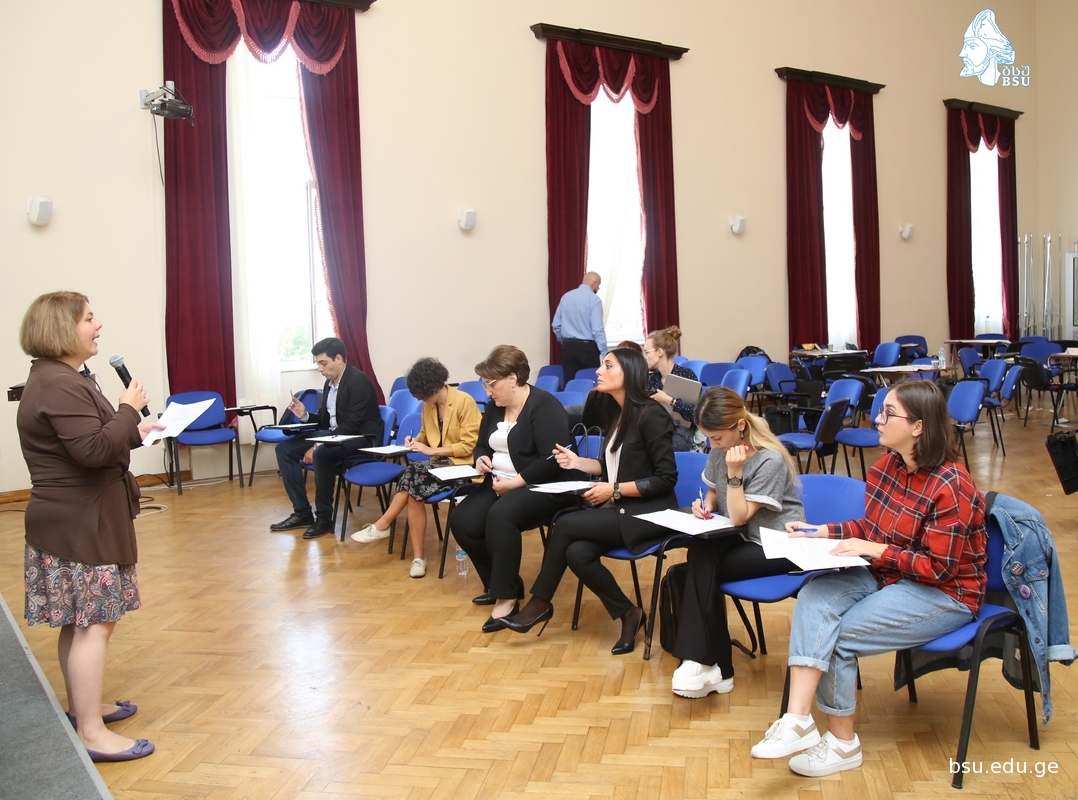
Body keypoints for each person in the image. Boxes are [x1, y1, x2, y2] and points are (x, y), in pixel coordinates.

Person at [751, 380, 986, 777]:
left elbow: (939, 568)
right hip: (891, 573)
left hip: (945, 593)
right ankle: (798, 720)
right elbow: (874, 528)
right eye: (880, 410)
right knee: (815, 595)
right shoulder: (887, 468)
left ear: (918, 427)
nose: (877, 419)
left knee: (838, 636)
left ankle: (843, 744)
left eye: (888, 413)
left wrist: (876, 550)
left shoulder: (952, 484)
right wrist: (823, 532)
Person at [17, 292, 165, 762]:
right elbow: (95, 452)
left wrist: (134, 431)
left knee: (80, 622)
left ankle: (85, 710)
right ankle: (91, 733)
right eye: (88, 318)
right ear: (62, 329)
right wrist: (128, 409)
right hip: (81, 520)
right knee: (94, 624)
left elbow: (93, 441)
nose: (97, 325)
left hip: (79, 515)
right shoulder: (59, 384)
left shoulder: (61, 377)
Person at [505, 347, 678, 655]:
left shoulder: (652, 415)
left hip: (650, 513)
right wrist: (579, 463)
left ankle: (540, 602)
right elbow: (614, 468)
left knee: (565, 523)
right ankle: (629, 613)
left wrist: (614, 490)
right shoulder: (618, 412)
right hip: (624, 507)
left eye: (608, 366)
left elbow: (666, 479)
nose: (599, 371)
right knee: (577, 553)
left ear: (630, 373)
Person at [671, 387, 803, 697]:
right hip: (742, 538)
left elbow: (740, 516)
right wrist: (705, 505)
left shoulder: (769, 459)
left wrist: (734, 471)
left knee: (696, 567)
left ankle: (707, 663)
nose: (712, 445)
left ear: (740, 426)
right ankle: (711, 665)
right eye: (708, 438)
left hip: (776, 544)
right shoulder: (720, 450)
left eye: (717, 437)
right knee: (698, 556)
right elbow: (714, 494)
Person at [450, 345, 581, 632]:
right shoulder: (495, 408)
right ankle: (500, 582)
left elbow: (551, 460)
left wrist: (516, 483)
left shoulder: (544, 406)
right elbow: (481, 445)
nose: (488, 392)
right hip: (501, 482)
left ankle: (506, 598)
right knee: (462, 521)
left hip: (543, 485)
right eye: (484, 384)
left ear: (512, 378)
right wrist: (480, 459)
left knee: (502, 515)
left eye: (491, 384)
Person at [351, 357, 481, 578]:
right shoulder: (429, 406)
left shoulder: (463, 401)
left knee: (412, 474)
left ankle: (385, 527)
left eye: (422, 393)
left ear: (434, 385)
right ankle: (416, 557)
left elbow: (469, 445)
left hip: (464, 465)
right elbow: (425, 433)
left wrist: (431, 451)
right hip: (440, 465)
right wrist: (415, 440)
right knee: (414, 489)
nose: (421, 398)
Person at [270, 337, 382, 539]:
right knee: (283, 449)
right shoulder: (330, 383)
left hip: (360, 439)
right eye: (318, 364)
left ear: (338, 359)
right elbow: (324, 421)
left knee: (321, 453)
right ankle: (302, 513)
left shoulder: (359, 381)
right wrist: (305, 415)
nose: (320, 369)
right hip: (334, 434)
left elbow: (351, 426)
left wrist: (318, 444)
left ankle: (324, 518)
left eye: (323, 363)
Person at [643, 326, 703, 452]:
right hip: (659, 430)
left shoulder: (685, 375)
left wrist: (670, 401)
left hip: (681, 432)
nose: (645, 357)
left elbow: (697, 414)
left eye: (647, 352)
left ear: (660, 352)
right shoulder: (651, 379)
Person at [552, 272, 607, 386]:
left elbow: (556, 324)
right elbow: (597, 329)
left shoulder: (566, 297)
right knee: (591, 384)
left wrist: (563, 341)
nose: (598, 288)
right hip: (587, 349)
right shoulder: (594, 300)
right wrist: (604, 352)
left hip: (568, 348)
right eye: (599, 285)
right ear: (594, 283)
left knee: (570, 384)